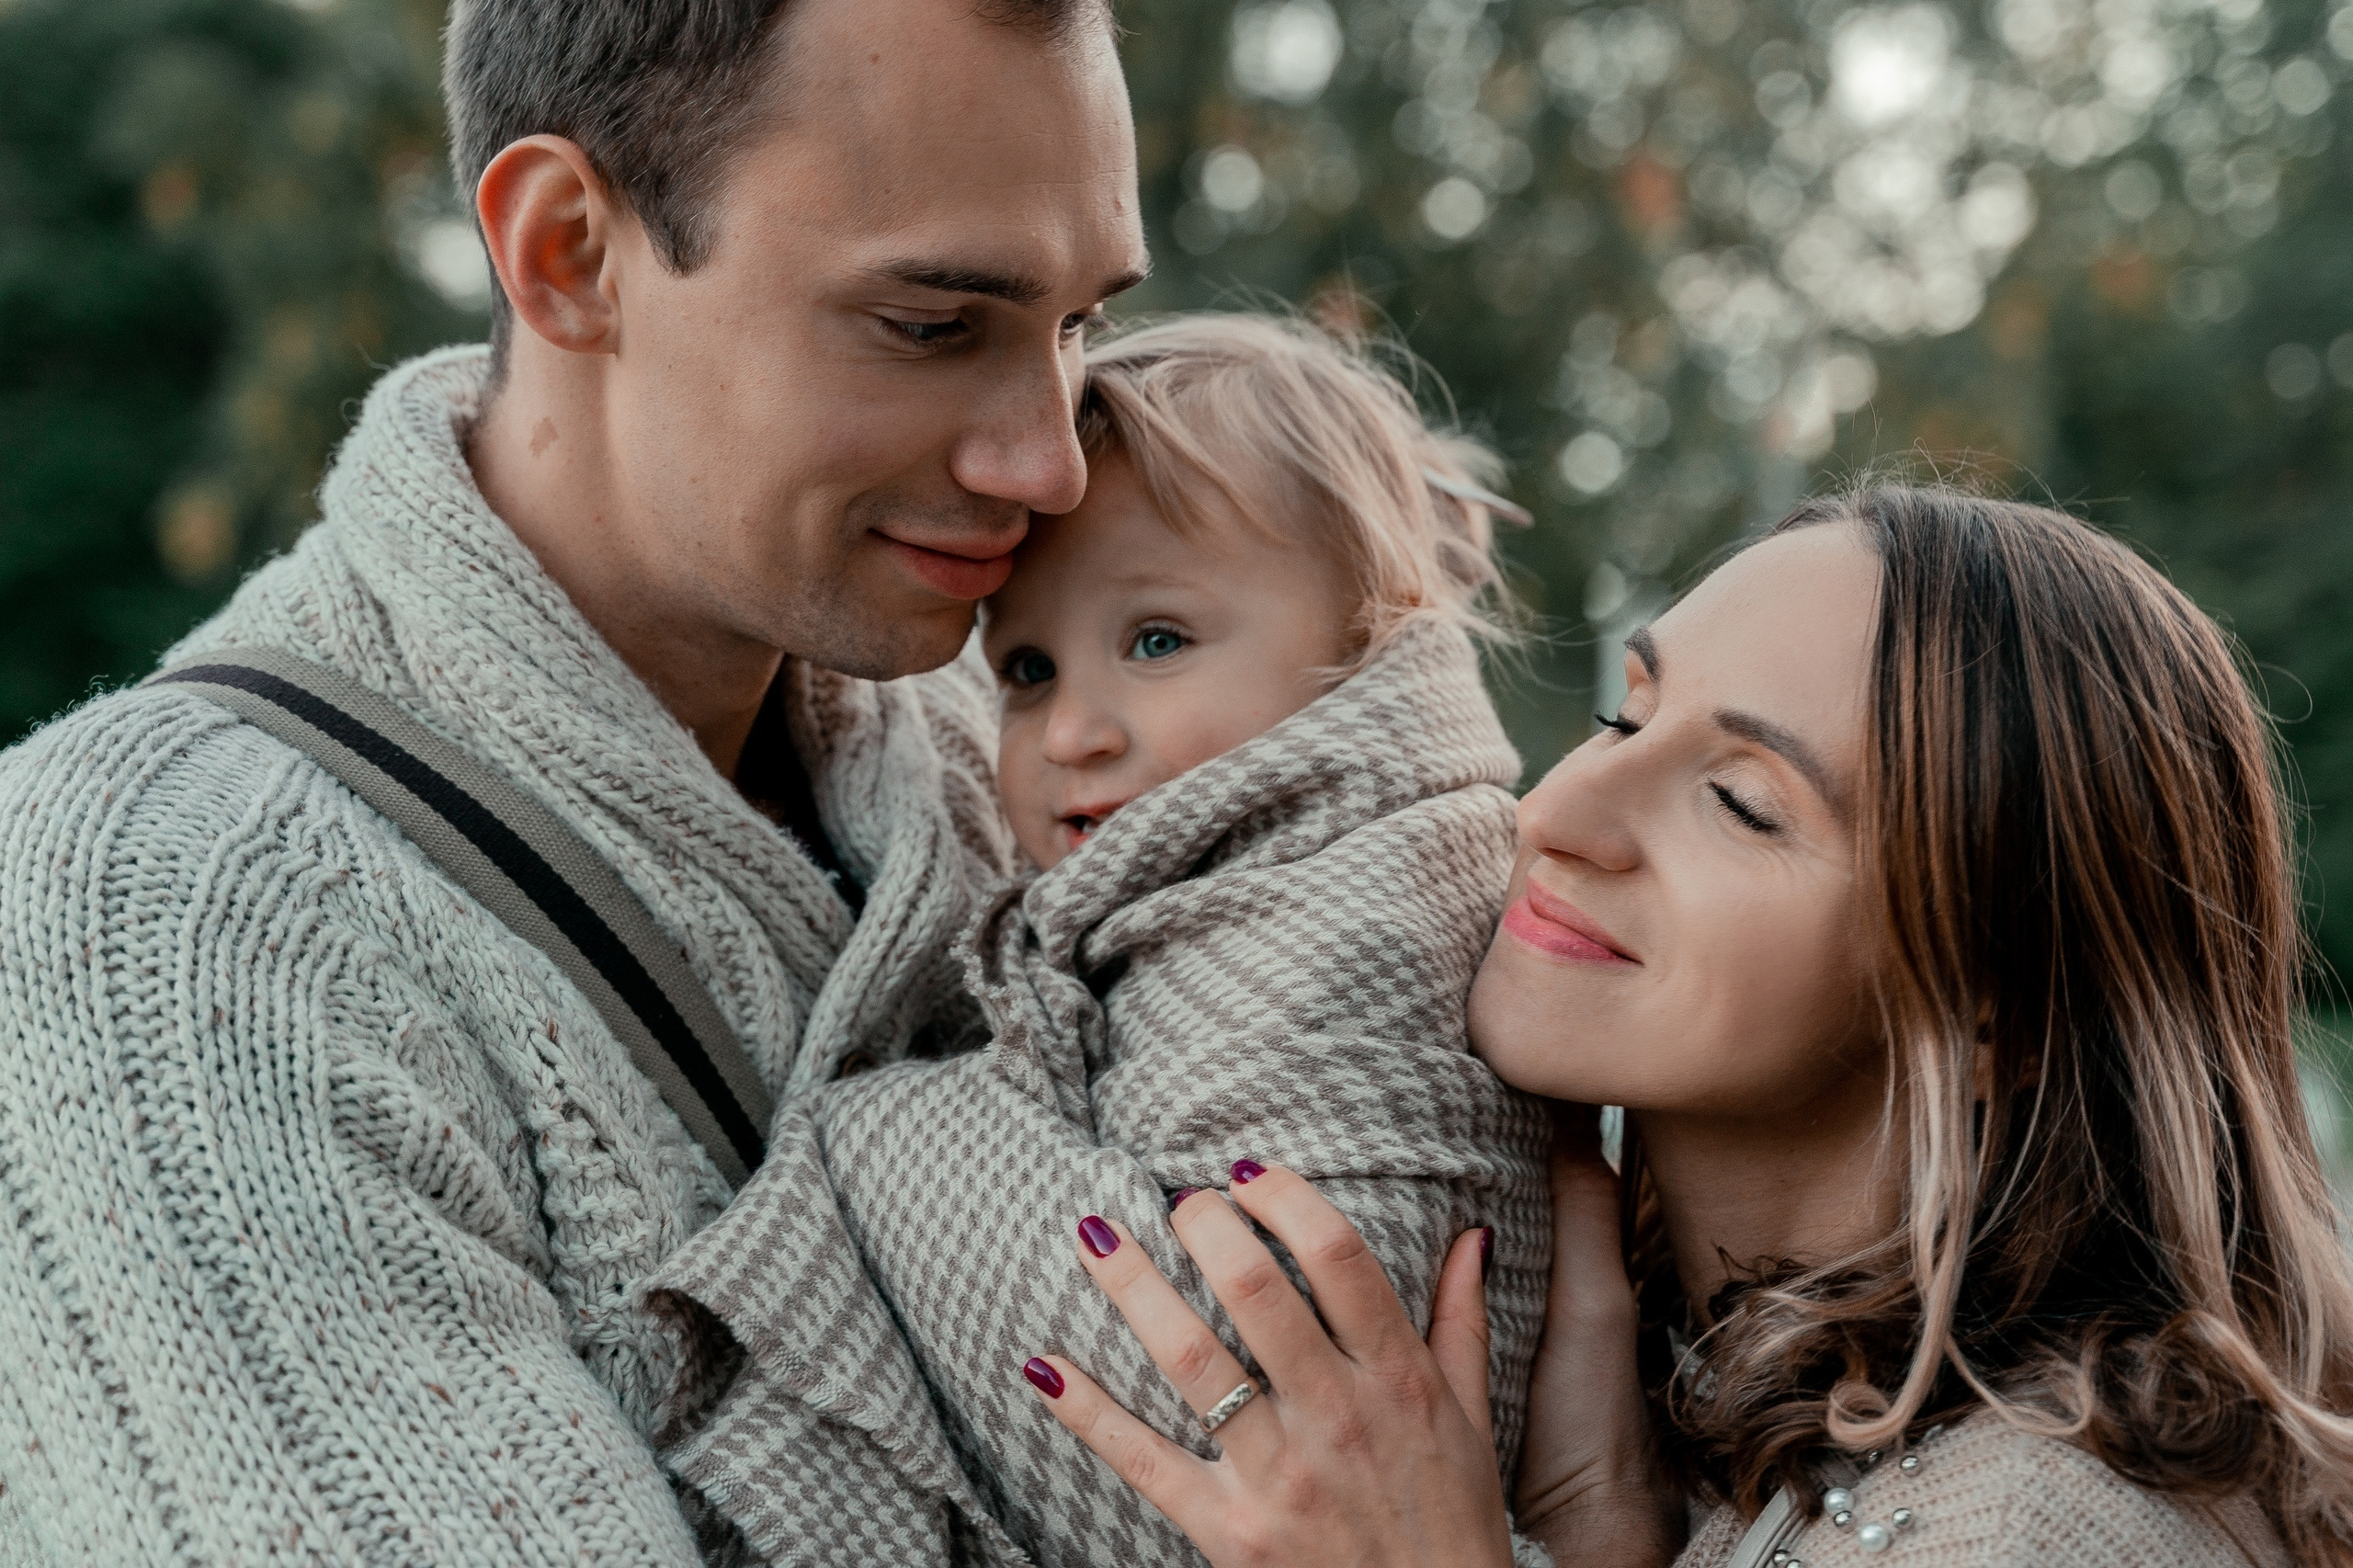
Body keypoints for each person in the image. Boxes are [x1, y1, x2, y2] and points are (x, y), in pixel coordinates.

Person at [0, 0, 1145, 1558]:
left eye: (1082, 325)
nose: (1050, 462)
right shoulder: (157, 915)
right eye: (935, 325)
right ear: (567, 253)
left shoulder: (1052, 763)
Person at [1029, 487, 2353, 1567]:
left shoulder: (2047, 1526)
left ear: (1993, 1000)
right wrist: (1602, 1517)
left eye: (1739, 802)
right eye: (1628, 713)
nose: (1558, 812)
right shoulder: (1633, 1376)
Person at [675, 313, 1554, 1568]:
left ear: (1366, 643)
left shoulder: (1380, 899)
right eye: (1027, 668)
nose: (1074, 728)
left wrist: (863, 1136)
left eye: (1156, 641)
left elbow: (1236, 1376)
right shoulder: (1175, 891)